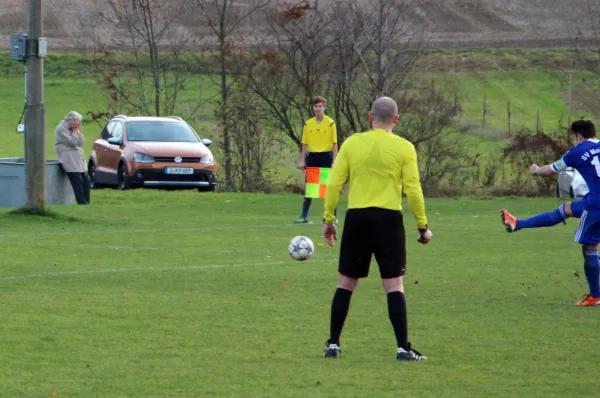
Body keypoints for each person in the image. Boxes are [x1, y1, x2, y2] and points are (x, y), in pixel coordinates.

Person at [321, 96, 433, 361]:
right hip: (388, 220)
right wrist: (422, 226)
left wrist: (328, 220)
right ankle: (403, 348)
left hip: (357, 219)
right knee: (394, 285)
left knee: (346, 283)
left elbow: (335, 183)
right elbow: (413, 189)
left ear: (370, 117)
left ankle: (333, 345)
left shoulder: (352, 143)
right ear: (396, 119)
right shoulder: (405, 148)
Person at [501, 120, 600, 307]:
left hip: (596, 204)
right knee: (566, 209)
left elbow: (551, 170)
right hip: (592, 200)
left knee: (590, 249)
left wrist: (536, 170)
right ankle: (517, 224)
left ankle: (595, 295)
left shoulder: (577, 152)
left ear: (578, 136)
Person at [295, 96, 339, 224]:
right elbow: (305, 144)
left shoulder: (330, 123)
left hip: (326, 157)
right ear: (313, 108)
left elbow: (335, 143)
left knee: (328, 188)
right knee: (310, 188)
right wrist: (302, 160)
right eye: (315, 106)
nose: (318, 109)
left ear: (324, 107)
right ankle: (303, 216)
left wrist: (335, 160)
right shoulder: (308, 124)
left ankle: (332, 217)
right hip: (313, 157)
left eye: (320, 106)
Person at [55, 111, 91, 205]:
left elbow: (80, 142)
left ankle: (87, 203)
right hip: (69, 160)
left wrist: (77, 132)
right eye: (76, 120)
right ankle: (82, 203)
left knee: (86, 182)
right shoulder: (61, 129)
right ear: (71, 120)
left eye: (79, 121)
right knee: (77, 183)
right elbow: (72, 143)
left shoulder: (73, 129)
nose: (77, 123)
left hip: (79, 161)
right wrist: (75, 132)